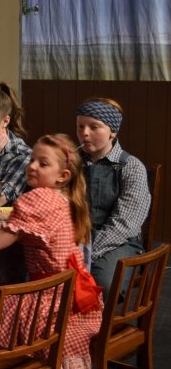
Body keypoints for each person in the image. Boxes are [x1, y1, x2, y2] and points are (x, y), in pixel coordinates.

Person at [0, 133, 102, 369]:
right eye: (32, 159)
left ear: (62, 176)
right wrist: (9, 217)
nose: (32, 166)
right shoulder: (65, 197)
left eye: (43, 164)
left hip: (47, 305)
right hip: (70, 298)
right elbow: (42, 220)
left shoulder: (33, 198)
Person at [75, 97, 151, 299]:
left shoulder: (131, 167)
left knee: (102, 283)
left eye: (94, 127)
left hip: (118, 241)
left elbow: (126, 224)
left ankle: (96, 319)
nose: (84, 133)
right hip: (77, 236)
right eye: (80, 126)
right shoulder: (72, 163)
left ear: (113, 131)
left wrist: (88, 254)